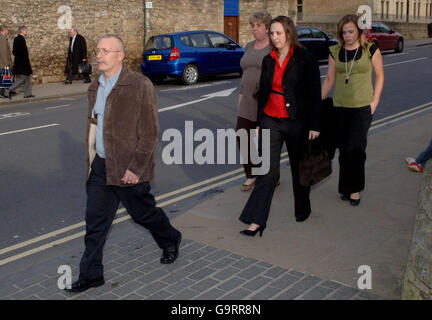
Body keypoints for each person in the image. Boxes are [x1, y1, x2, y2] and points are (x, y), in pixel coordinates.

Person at [66, 34, 182, 293]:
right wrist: (92, 157)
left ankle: (170, 238)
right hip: (100, 166)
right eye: (98, 50)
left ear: (120, 56)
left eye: (105, 51)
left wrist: (136, 167)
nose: (99, 55)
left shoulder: (139, 85)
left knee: (143, 214)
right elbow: (95, 124)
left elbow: (150, 131)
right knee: (95, 222)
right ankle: (91, 274)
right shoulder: (95, 86)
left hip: (128, 167)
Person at [239, 16, 322, 236]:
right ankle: (256, 221)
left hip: (297, 122)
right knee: (266, 170)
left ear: (288, 33)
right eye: (272, 33)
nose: (274, 38)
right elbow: (263, 93)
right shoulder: (268, 60)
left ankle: (303, 208)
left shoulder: (305, 58)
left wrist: (315, 124)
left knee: (299, 169)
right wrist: (259, 122)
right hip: (270, 120)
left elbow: (314, 94)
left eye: (278, 33)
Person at [321, 14, 384, 206]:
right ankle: (345, 187)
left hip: (362, 108)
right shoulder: (335, 51)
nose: (348, 36)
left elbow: (380, 76)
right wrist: (316, 103)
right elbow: (330, 80)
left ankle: (355, 188)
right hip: (340, 107)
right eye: (344, 32)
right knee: (344, 150)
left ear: (359, 31)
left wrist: (374, 103)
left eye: (351, 31)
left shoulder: (370, 49)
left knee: (356, 149)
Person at [237, 11, 272, 191]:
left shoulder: (273, 47)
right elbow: (245, 73)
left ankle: (270, 175)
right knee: (242, 135)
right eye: (252, 25)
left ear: (267, 28)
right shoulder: (249, 46)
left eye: (258, 25)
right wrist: (241, 96)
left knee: (265, 140)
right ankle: (251, 175)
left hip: (265, 100)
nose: (254, 29)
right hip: (247, 98)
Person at [4, 26, 34, 99]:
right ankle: (9, 89)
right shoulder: (21, 39)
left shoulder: (16, 39)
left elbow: (14, 52)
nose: (26, 31)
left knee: (27, 79)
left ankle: (27, 94)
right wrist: (25, 61)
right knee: (23, 78)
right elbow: (23, 53)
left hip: (19, 62)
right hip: (22, 63)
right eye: (25, 30)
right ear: (22, 31)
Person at [0, 25, 13, 97]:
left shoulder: (3, 37)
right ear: (3, 30)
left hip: (3, 62)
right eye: (7, 30)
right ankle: (2, 93)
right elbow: (3, 51)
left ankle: (4, 92)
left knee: (4, 77)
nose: (7, 31)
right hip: (3, 63)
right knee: (3, 77)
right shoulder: (2, 38)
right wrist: (7, 63)